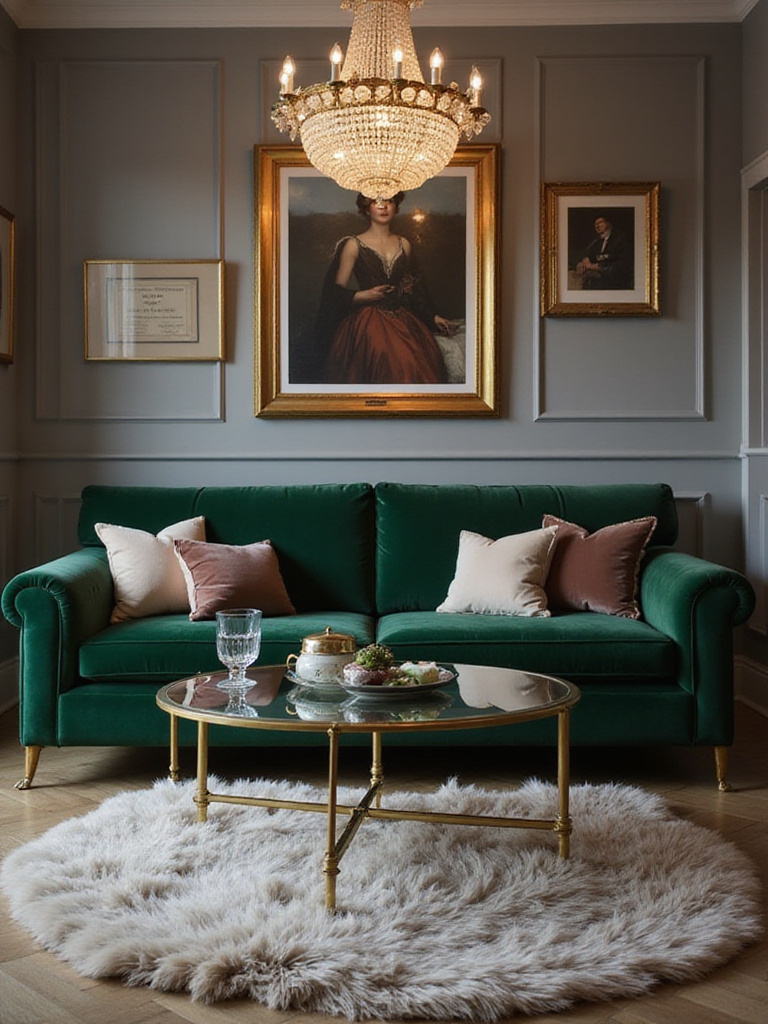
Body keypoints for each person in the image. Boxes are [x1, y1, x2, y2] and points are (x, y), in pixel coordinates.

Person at [315, 193, 454, 384]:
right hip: (368, 322)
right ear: (366, 208)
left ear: (396, 207)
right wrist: (365, 295)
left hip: (404, 319)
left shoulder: (404, 244)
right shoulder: (353, 245)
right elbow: (334, 293)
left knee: (417, 364)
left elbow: (415, 287)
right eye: (376, 202)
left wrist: (432, 316)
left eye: (389, 201)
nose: (383, 207)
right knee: (385, 358)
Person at [574, 214, 633, 290]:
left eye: (600, 222)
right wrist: (583, 261)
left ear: (608, 223)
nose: (597, 226)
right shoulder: (597, 242)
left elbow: (622, 263)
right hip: (599, 278)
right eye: (595, 224)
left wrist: (600, 268)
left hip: (615, 279)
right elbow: (589, 255)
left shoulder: (619, 239)